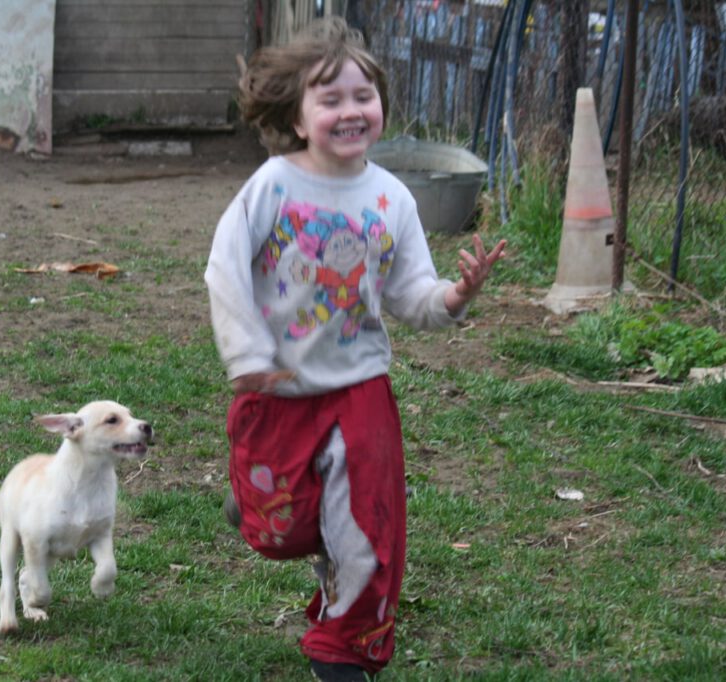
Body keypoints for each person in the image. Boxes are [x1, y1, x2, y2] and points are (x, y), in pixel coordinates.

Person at [204, 17, 506, 682]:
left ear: (381, 107)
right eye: (330, 98)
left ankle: (342, 648)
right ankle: (254, 505)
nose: (350, 110)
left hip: (359, 389)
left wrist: (455, 295)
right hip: (278, 388)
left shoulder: (391, 198)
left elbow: (412, 294)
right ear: (298, 116)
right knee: (279, 528)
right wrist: (247, 355)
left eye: (363, 96)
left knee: (370, 529)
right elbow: (224, 269)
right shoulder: (272, 186)